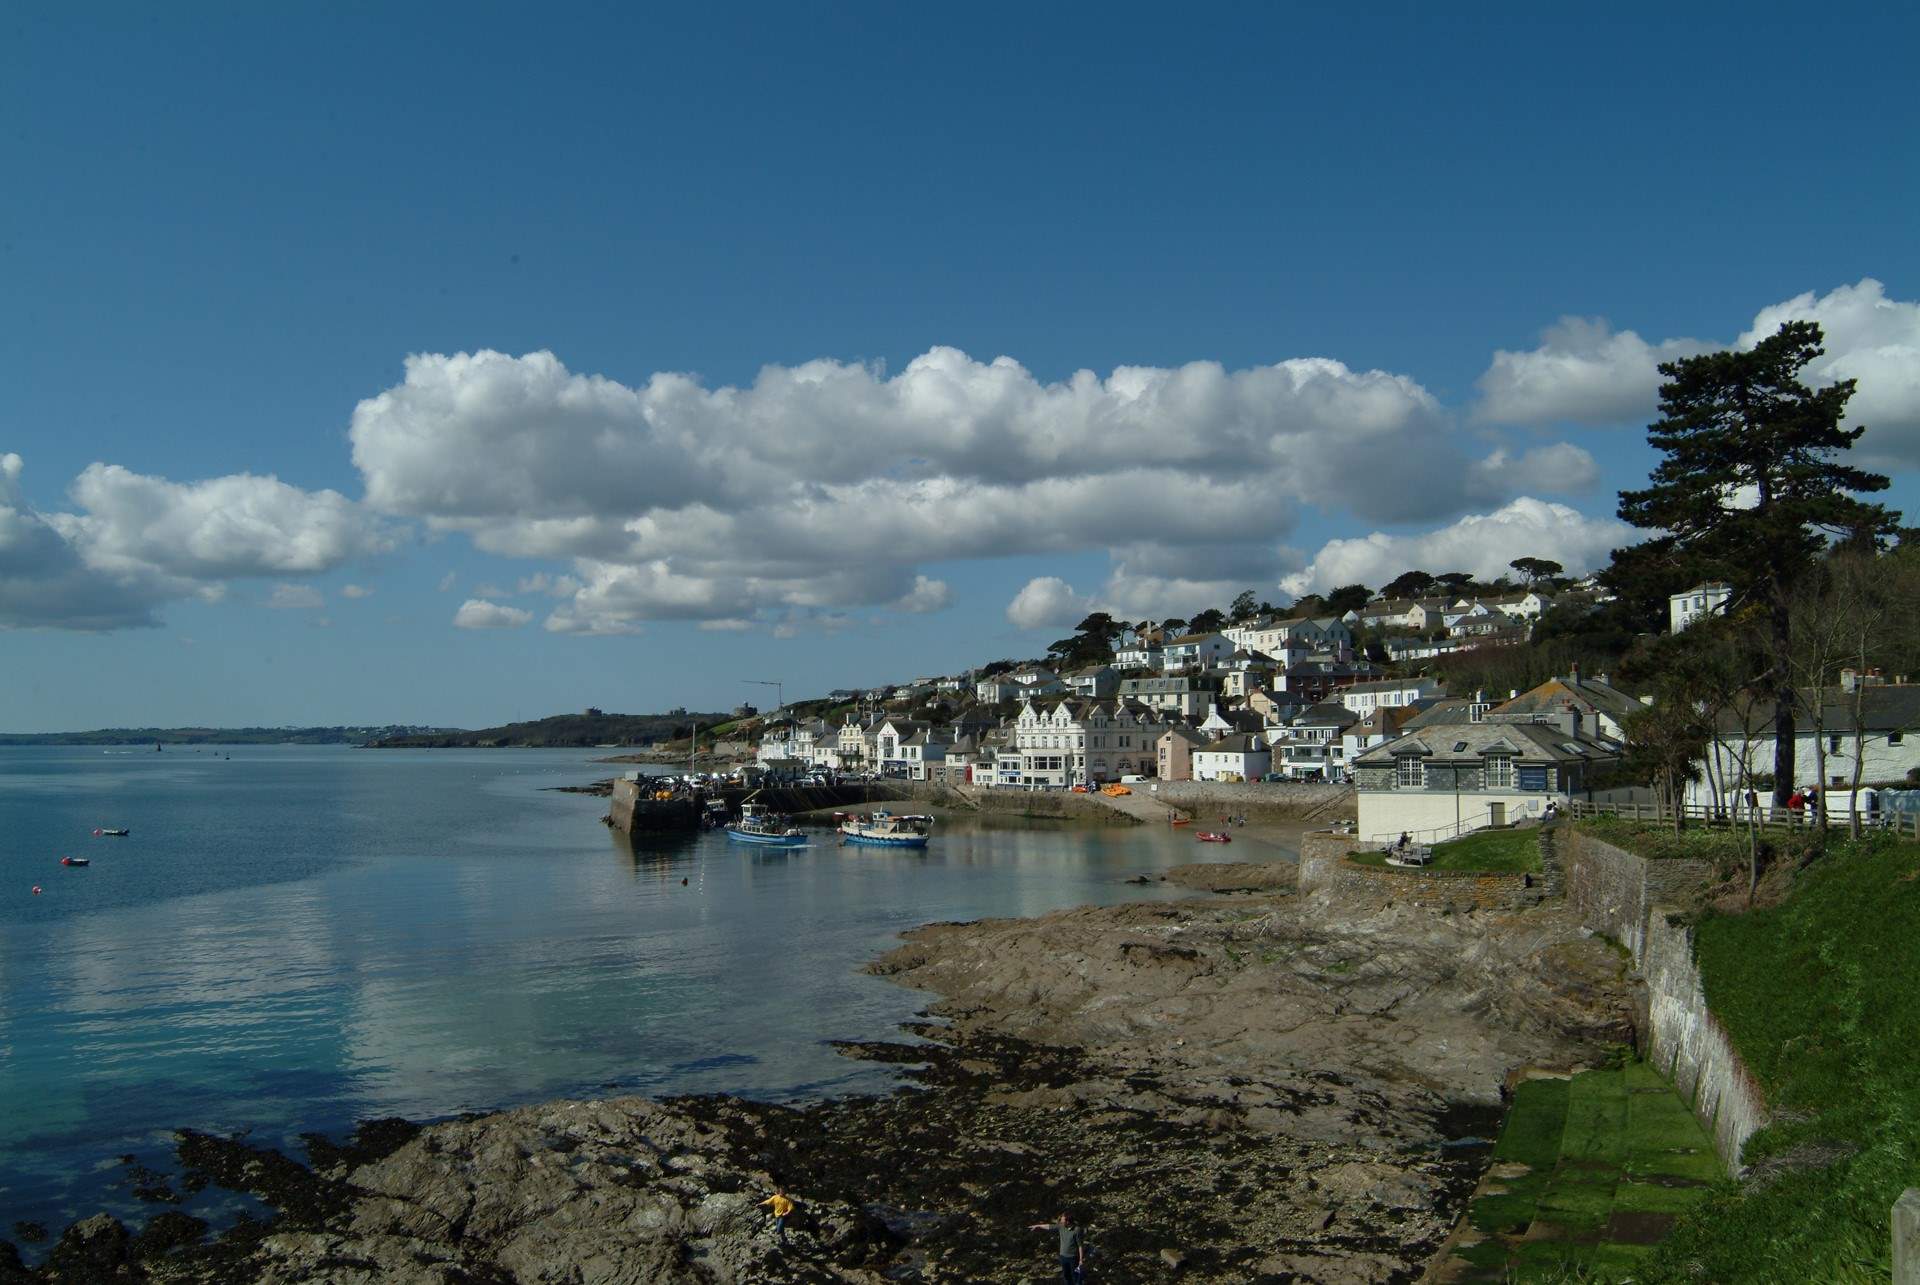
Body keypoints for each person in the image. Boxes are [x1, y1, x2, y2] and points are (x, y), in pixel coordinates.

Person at [1029, 1212, 1085, 1284]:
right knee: (1066, 1276)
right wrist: (1038, 1226)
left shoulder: (1077, 1230)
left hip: (1073, 1258)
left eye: (1062, 1220)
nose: (1061, 1222)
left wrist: (1080, 1260)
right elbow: (1049, 1226)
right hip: (1063, 1257)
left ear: (1067, 1222)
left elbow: (1080, 1246)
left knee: (1076, 1276)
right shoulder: (1061, 1226)